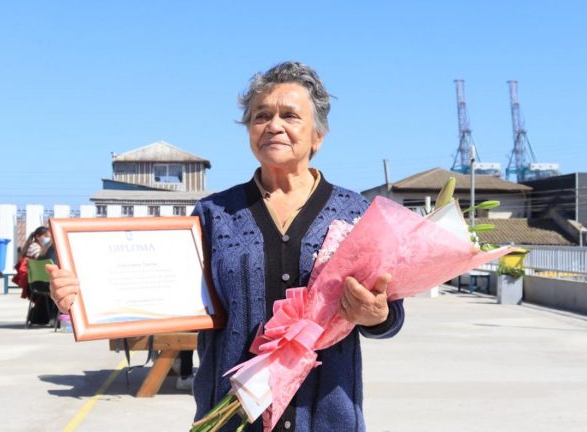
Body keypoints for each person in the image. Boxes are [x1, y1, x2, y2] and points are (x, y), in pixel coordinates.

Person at [48, 61, 405, 431]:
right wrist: (83, 295)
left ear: (318, 135)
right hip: (231, 416)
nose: (273, 125)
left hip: (326, 417)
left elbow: (391, 312)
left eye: (289, 115)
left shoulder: (354, 212)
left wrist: (377, 315)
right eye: (261, 116)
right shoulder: (214, 214)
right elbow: (160, 292)